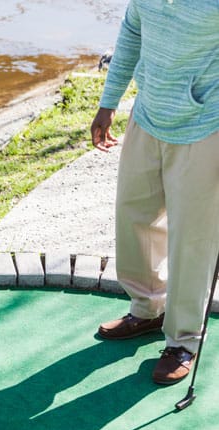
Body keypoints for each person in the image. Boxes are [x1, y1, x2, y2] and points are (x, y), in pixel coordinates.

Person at [90, 1, 219, 385]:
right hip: (148, 114)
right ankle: (147, 308)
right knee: (134, 215)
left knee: (192, 238)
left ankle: (183, 340)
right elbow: (133, 31)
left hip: (204, 124)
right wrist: (108, 102)